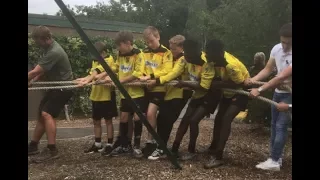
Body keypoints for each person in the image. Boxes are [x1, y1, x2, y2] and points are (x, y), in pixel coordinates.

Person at [245, 23, 292, 171]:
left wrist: (259, 89)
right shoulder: (276, 49)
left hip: (289, 94)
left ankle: (275, 160)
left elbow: (280, 77)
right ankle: (275, 157)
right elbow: (268, 69)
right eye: (283, 41)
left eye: (289, 43)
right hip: (278, 92)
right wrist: (253, 80)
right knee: (274, 125)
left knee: (281, 126)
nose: (285, 46)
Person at [201, 39, 250, 169]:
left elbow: (240, 83)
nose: (206, 55)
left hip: (241, 93)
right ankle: (213, 147)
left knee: (226, 118)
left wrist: (219, 84)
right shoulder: (214, 60)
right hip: (227, 93)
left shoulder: (230, 64)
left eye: (209, 53)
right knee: (218, 119)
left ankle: (218, 156)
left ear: (218, 53)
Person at [28, 26, 74, 162]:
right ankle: (33, 146)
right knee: (42, 114)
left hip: (63, 88)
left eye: (38, 42)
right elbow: (41, 71)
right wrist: (33, 82)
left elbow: (35, 71)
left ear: (46, 39)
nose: (37, 44)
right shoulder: (47, 49)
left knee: (46, 114)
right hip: (55, 88)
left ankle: (52, 150)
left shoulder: (54, 51)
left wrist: (32, 78)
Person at [169, 39, 219, 161]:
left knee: (193, 120)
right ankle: (174, 148)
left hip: (210, 95)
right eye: (185, 54)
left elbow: (204, 86)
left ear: (196, 53)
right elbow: (174, 72)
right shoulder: (186, 58)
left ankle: (191, 151)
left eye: (188, 56)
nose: (186, 58)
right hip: (197, 94)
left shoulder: (207, 63)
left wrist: (184, 83)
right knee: (185, 119)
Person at [146, 35, 193, 160]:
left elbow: (173, 73)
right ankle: (161, 146)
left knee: (167, 120)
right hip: (169, 93)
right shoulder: (170, 56)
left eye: (174, 49)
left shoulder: (184, 58)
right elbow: (165, 70)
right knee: (162, 119)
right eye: (170, 48)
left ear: (182, 47)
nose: (171, 51)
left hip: (181, 93)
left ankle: (162, 148)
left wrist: (156, 81)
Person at [102, 31, 147, 158]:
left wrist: (119, 81)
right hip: (124, 94)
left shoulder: (139, 54)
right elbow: (116, 67)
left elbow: (138, 73)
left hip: (137, 94)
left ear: (128, 43)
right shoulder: (120, 54)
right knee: (123, 118)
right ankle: (124, 145)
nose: (118, 48)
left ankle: (137, 146)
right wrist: (107, 77)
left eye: (119, 45)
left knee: (138, 118)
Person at [76, 42, 118, 156]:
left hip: (106, 96)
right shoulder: (95, 61)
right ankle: (98, 144)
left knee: (108, 121)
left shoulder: (110, 59)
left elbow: (98, 71)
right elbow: (92, 74)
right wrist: (82, 79)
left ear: (103, 53)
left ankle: (109, 144)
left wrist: (89, 78)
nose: (95, 58)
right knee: (96, 121)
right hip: (95, 96)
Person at [139, 26, 174, 157]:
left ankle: (151, 141)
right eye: (147, 42)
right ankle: (150, 141)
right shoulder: (144, 52)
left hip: (159, 89)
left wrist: (151, 77)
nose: (149, 44)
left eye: (151, 41)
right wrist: (143, 77)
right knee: (144, 116)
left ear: (158, 37)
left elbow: (167, 70)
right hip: (146, 87)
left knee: (150, 113)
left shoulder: (166, 52)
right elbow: (141, 67)